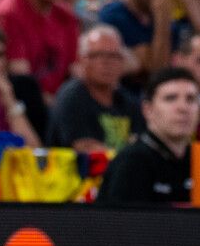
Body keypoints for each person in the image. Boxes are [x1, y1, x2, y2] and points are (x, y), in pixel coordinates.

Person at [94, 69, 200, 206]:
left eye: (191, 99)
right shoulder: (132, 162)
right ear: (148, 110)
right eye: (170, 98)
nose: (183, 107)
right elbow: (122, 225)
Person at [47, 26, 142, 155]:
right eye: (97, 55)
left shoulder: (128, 102)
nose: (106, 63)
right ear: (82, 60)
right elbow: (85, 149)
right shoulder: (72, 97)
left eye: (113, 56)